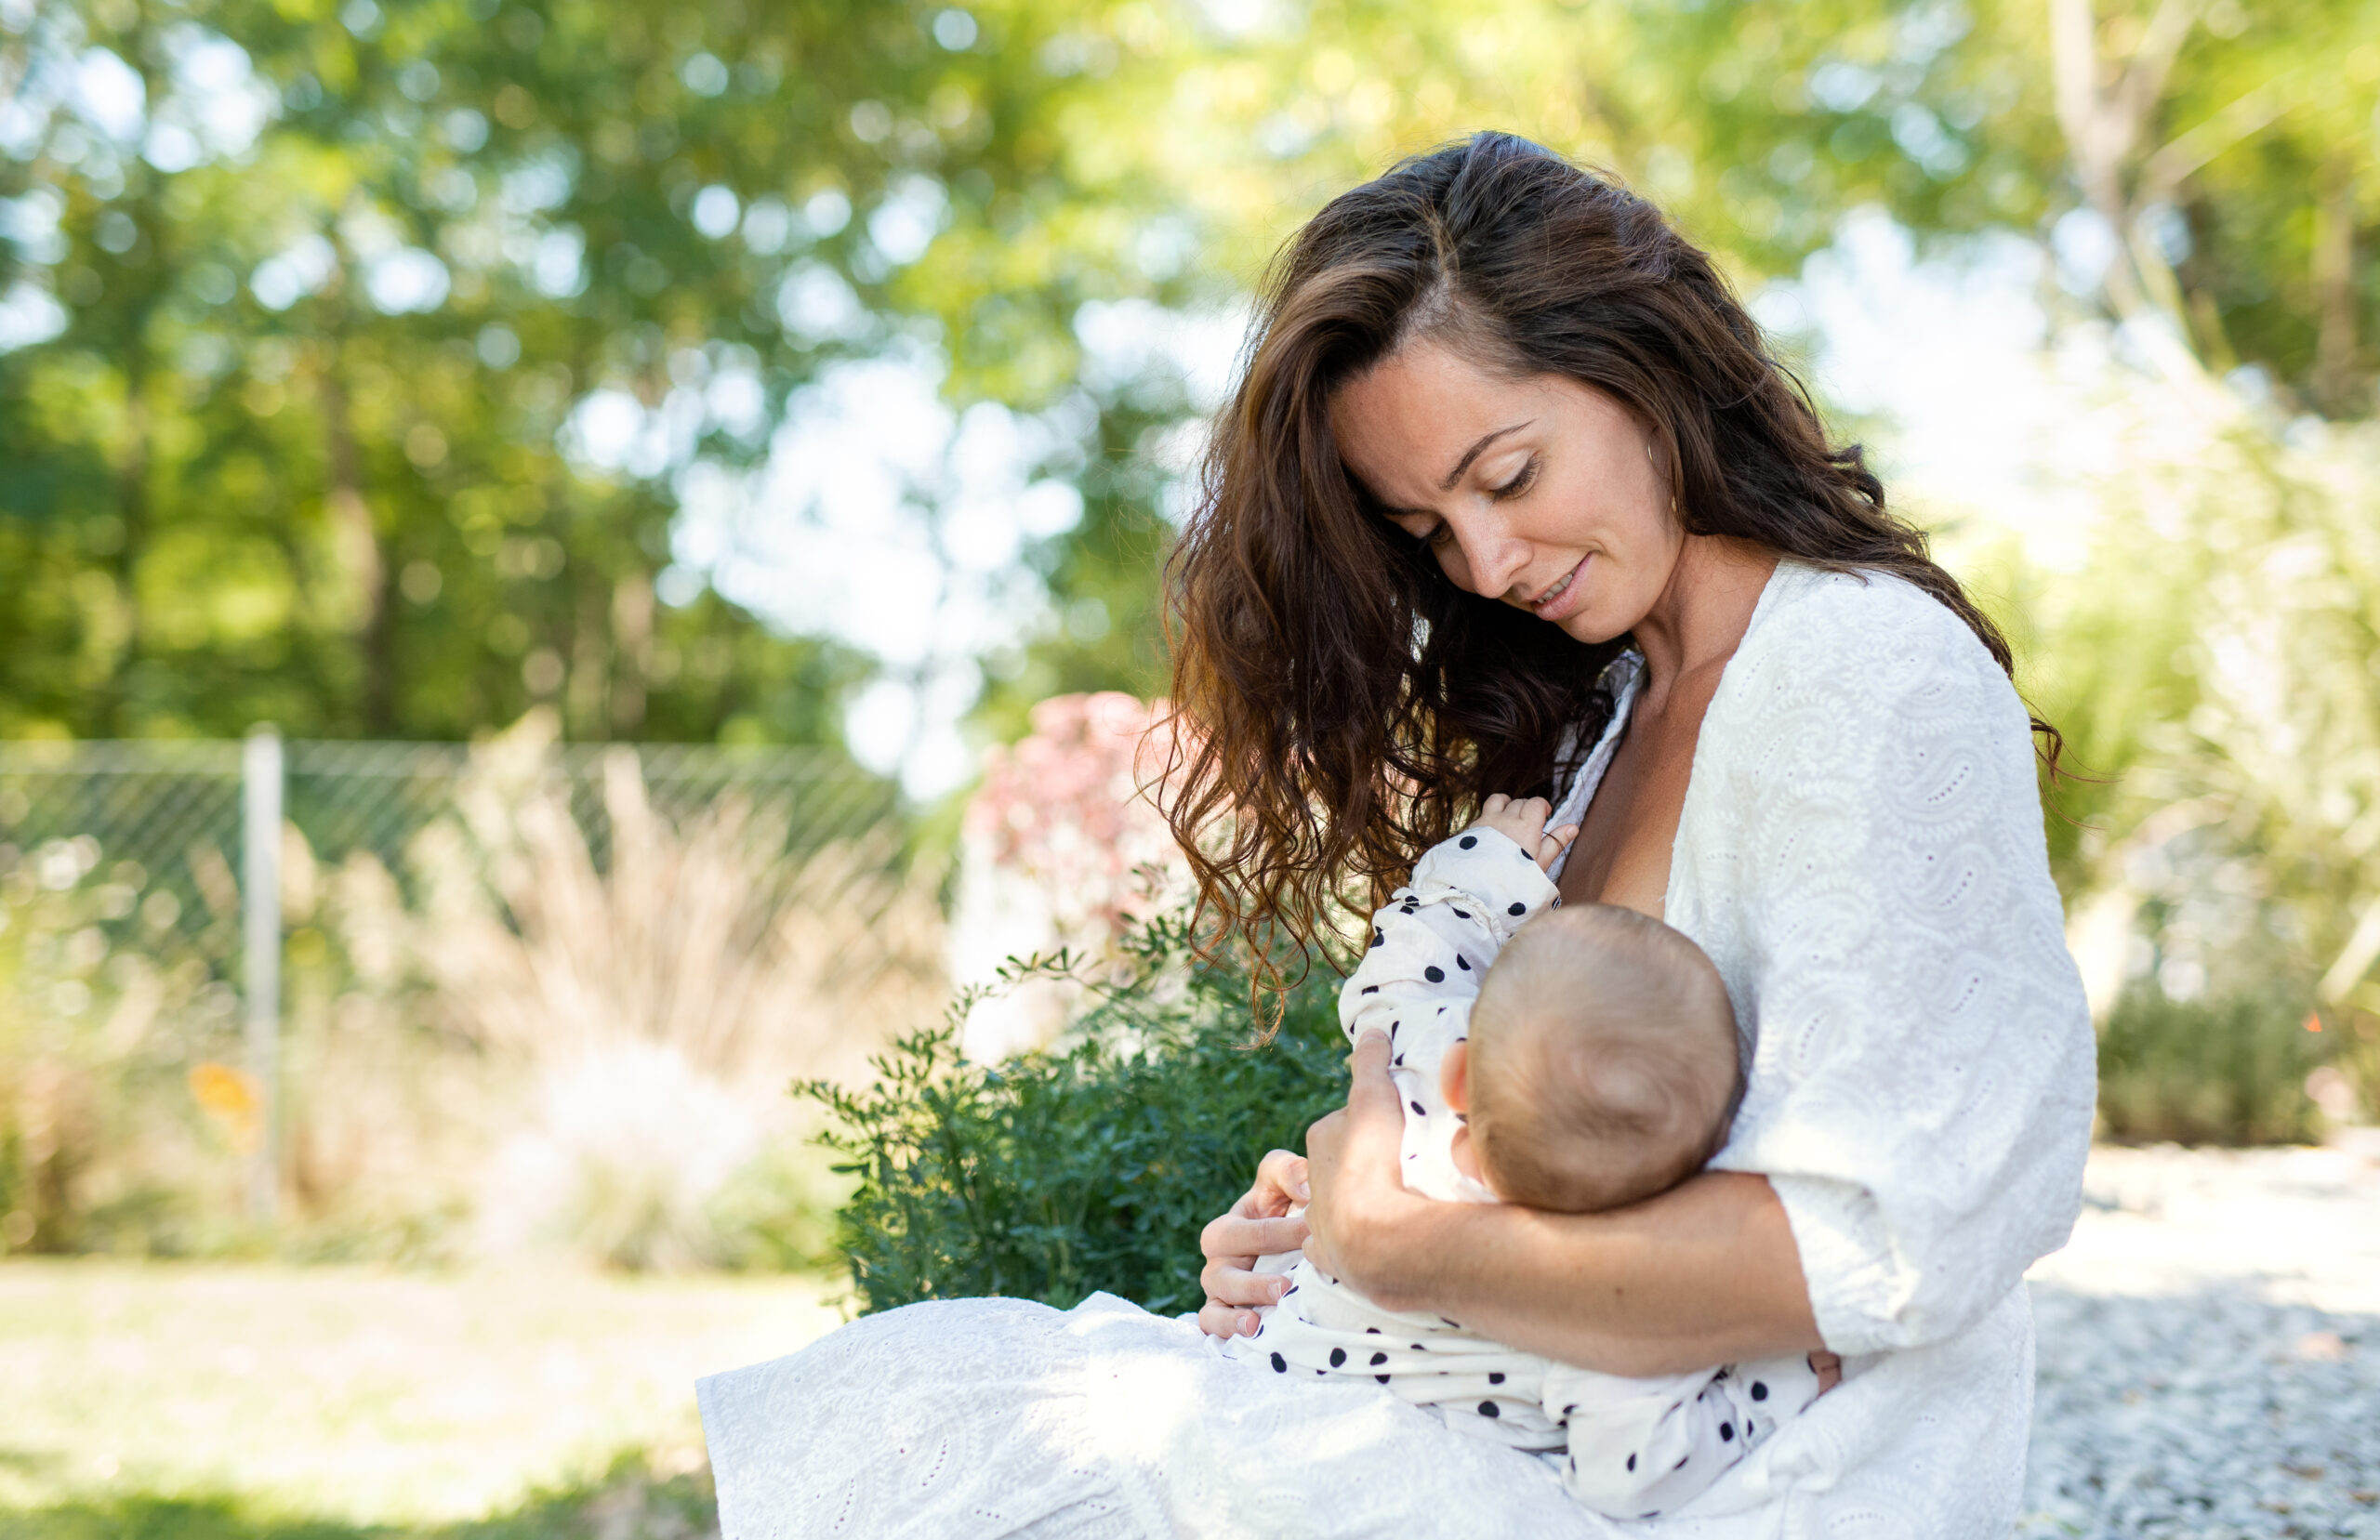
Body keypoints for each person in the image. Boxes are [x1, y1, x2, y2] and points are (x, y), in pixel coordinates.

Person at [695, 132, 2096, 1537]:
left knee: (1028, 1435)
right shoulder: (1609, 715)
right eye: (1427, 527)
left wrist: (1406, 1245)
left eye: (1510, 474)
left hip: (1744, 1492)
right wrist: (1324, 1256)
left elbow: (1896, 1233)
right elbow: (1519, 1136)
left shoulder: (1862, 674)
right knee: (966, 1403)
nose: (1485, 567)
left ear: (1644, 367)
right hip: (1538, 1431)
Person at [1229, 791, 1823, 1520]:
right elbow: (1632, 1471)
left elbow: (1403, 971)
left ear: (1461, 1074)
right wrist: (1770, 1391)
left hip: (1266, 1380)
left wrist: (1490, 868)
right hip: (1383, 1483)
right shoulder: (1594, 1309)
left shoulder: (1421, 1059)